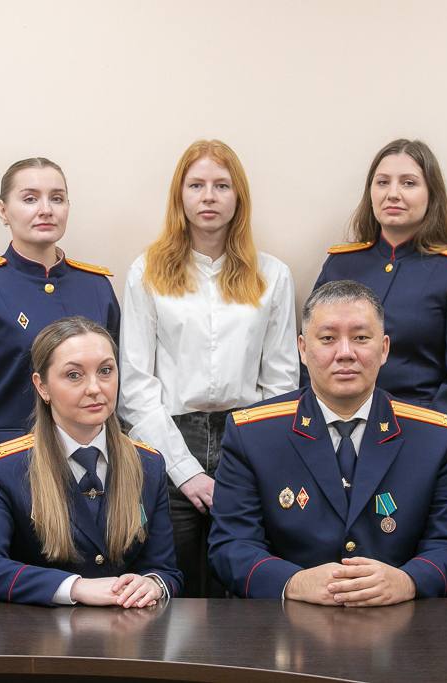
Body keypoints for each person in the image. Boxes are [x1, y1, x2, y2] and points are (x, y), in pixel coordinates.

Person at [209, 280, 447, 604]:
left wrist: (407, 581)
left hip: (399, 620)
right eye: (328, 339)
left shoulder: (436, 437)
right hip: (285, 622)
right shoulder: (252, 434)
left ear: (384, 348)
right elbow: (231, 546)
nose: (345, 353)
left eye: (361, 338)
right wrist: (293, 583)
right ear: (302, 349)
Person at [118, 139, 298, 597]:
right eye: (196, 185)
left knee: (240, 579)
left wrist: (256, 453)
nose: (209, 197)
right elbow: (135, 386)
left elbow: (282, 382)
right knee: (171, 580)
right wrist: (185, 471)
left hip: (248, 435)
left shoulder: (273, 275)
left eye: (222, 185)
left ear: (239, 196)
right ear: (180, 195)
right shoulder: (147, 272)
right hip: (167, 438)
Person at [0, 157, 120, 553]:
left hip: (84, 473)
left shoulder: (96, 287)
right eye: (30, 198)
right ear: (4, 211)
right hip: (5, 472)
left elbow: (112, 390)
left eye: (57, 198)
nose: (46, 209)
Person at [0, 316, 181, 606]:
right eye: (74, 375)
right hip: (37, 629)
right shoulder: (4, 466)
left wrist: (152, 584)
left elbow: (165, 570)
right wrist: (74, 588)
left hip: (126, 627)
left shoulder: (148, 463)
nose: (95, 388)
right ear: (42, 386)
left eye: (105, 371)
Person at [312, 138, 447, 435]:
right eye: (383, 182)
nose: (393, 194)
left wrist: (427, 441)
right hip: (338, 430)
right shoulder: (341, 265)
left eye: (409, 183)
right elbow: (313, 354)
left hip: (421, 431)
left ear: (431, 194)